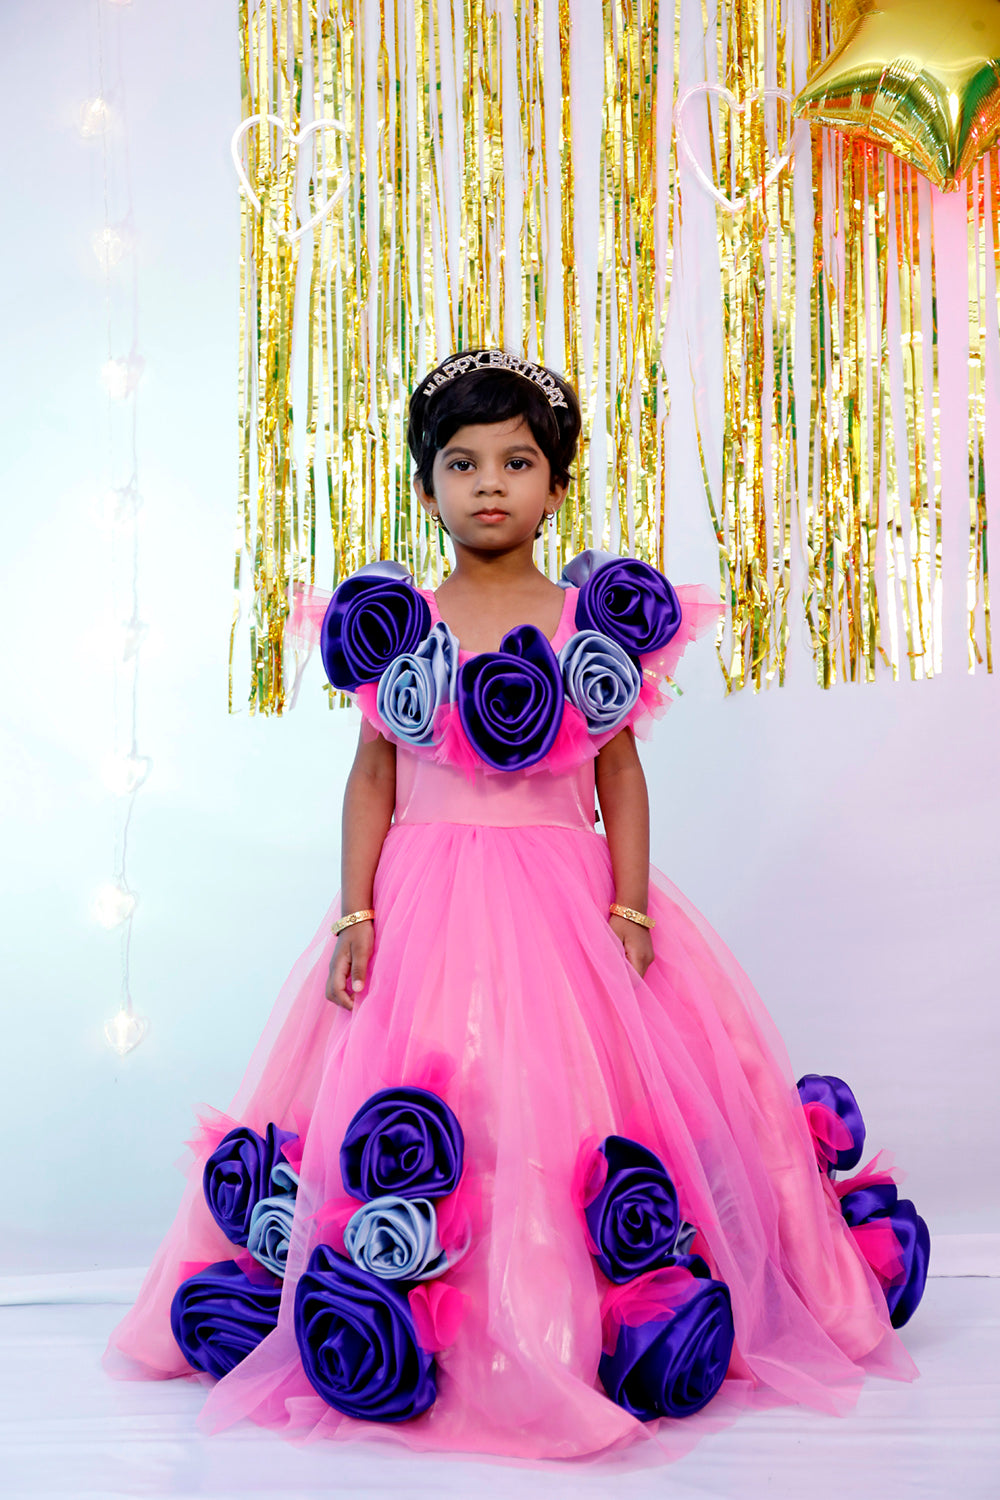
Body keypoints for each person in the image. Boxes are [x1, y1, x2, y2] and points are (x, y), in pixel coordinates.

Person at [104, 349, 924, 1464]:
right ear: (427, 486)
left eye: (516, 461)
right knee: (437, 1082)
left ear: (555, 485)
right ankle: (432, 1308)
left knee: (567, 1090)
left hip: (565, 895)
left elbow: (621, 775)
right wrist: (355, 914)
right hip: (426, 894)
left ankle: (585, 1312)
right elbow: (373, 778)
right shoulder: (402, 621)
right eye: (462, 462)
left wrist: (631, 907)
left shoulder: (592, 617)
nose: (489, 482)